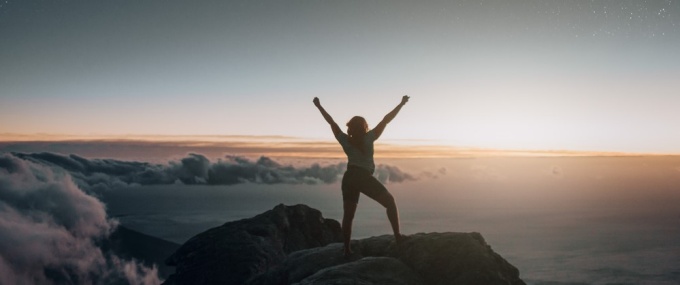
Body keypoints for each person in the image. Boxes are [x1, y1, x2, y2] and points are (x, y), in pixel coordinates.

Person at [313, 95, 410, 256]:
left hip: (349, 177)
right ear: (364, 127)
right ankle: (398, 237)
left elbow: (331, 122)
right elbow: (386, 119)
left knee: (348, 216)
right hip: (362, 177)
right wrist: (401, 104)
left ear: (350, 128)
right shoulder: (369, 137)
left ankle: (346, 250)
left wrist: (318, 106)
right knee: (390, 202)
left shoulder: (344, 139)